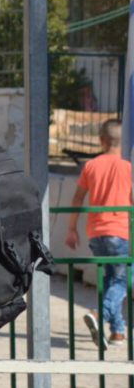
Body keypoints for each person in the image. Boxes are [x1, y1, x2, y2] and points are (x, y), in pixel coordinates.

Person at [67, 118, 132, 348]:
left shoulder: (91, 166)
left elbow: (77, 198)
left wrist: (72, 228)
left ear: (101, 140)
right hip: (120, 232)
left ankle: (117, 332)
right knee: (123, 281)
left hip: (95, 233)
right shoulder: (128, 166)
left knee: (110, 279)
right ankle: (98, 315)